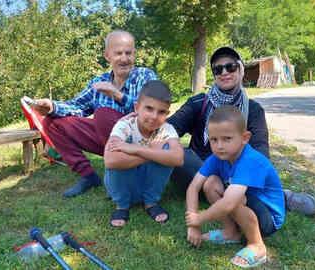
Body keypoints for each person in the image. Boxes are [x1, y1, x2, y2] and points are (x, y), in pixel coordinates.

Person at [168, 46, 315, 216]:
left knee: (254, 167)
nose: (224, 72)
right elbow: (169, 128)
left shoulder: (253, 110)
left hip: (237, 175)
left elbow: (261, 151)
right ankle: (243, 195)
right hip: (200, 169)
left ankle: (278, 196)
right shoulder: (198, 103)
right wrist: (143, 121)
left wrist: (239, 179)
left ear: (241, 70)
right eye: (218, 69)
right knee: (174, 151)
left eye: (230, 67)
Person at [32, 30, 157, 198]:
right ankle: (88, 176)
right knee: (52, 122)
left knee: (104, 114)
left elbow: (151, 114)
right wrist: (51, 107)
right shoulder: (98, 82)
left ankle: (125, 175)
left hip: (138, 142)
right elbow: (76, 107)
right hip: (108, 141)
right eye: (118, 53)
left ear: (134, 54)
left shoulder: (145, 76)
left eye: (129, 53)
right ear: (107, 56)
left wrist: (117, 94)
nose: (124, 58)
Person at [185, 105, 284, 268]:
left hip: (268, 218)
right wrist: (193, 226)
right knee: (211, 183)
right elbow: (193, 187)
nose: (219, 146)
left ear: (245, 138)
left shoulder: (250, 160)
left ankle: (257, 245)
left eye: (227, 139)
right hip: (247, 205)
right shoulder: (217, 157)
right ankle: (230, 232)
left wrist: (200, 218)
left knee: (235, 198)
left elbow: (230, 203)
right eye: (214, 140)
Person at [103, 80, 183, 227]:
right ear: (137, 107)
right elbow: (110, 160)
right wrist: (153, 152)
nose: (154, 116)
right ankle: (122, 205)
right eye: (149, 108)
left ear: (167, 113)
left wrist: (138, 149)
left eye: (161, 112)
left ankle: (150, 202)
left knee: (167, 150)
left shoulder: (167, 128)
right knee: (161, 152)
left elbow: (178, 158)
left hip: (147, 184)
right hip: (122, 185)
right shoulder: (125, 125)